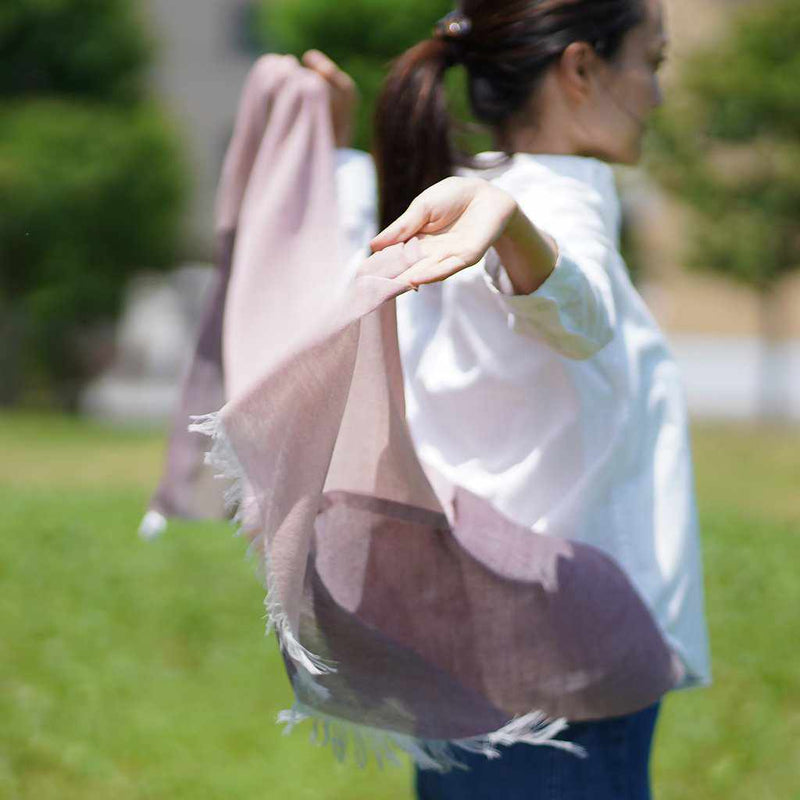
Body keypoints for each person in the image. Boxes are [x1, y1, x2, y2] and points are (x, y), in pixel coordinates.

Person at [295, 0, 711, 796]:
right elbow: (581, 315)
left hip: (458, 641)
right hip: (567, 662)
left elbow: (352, 261)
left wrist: (336, 159)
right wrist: (516, 230)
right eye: (651, 64)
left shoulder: (469, 198)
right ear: (582, 69)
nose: (657, 95)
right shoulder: (547, 201)